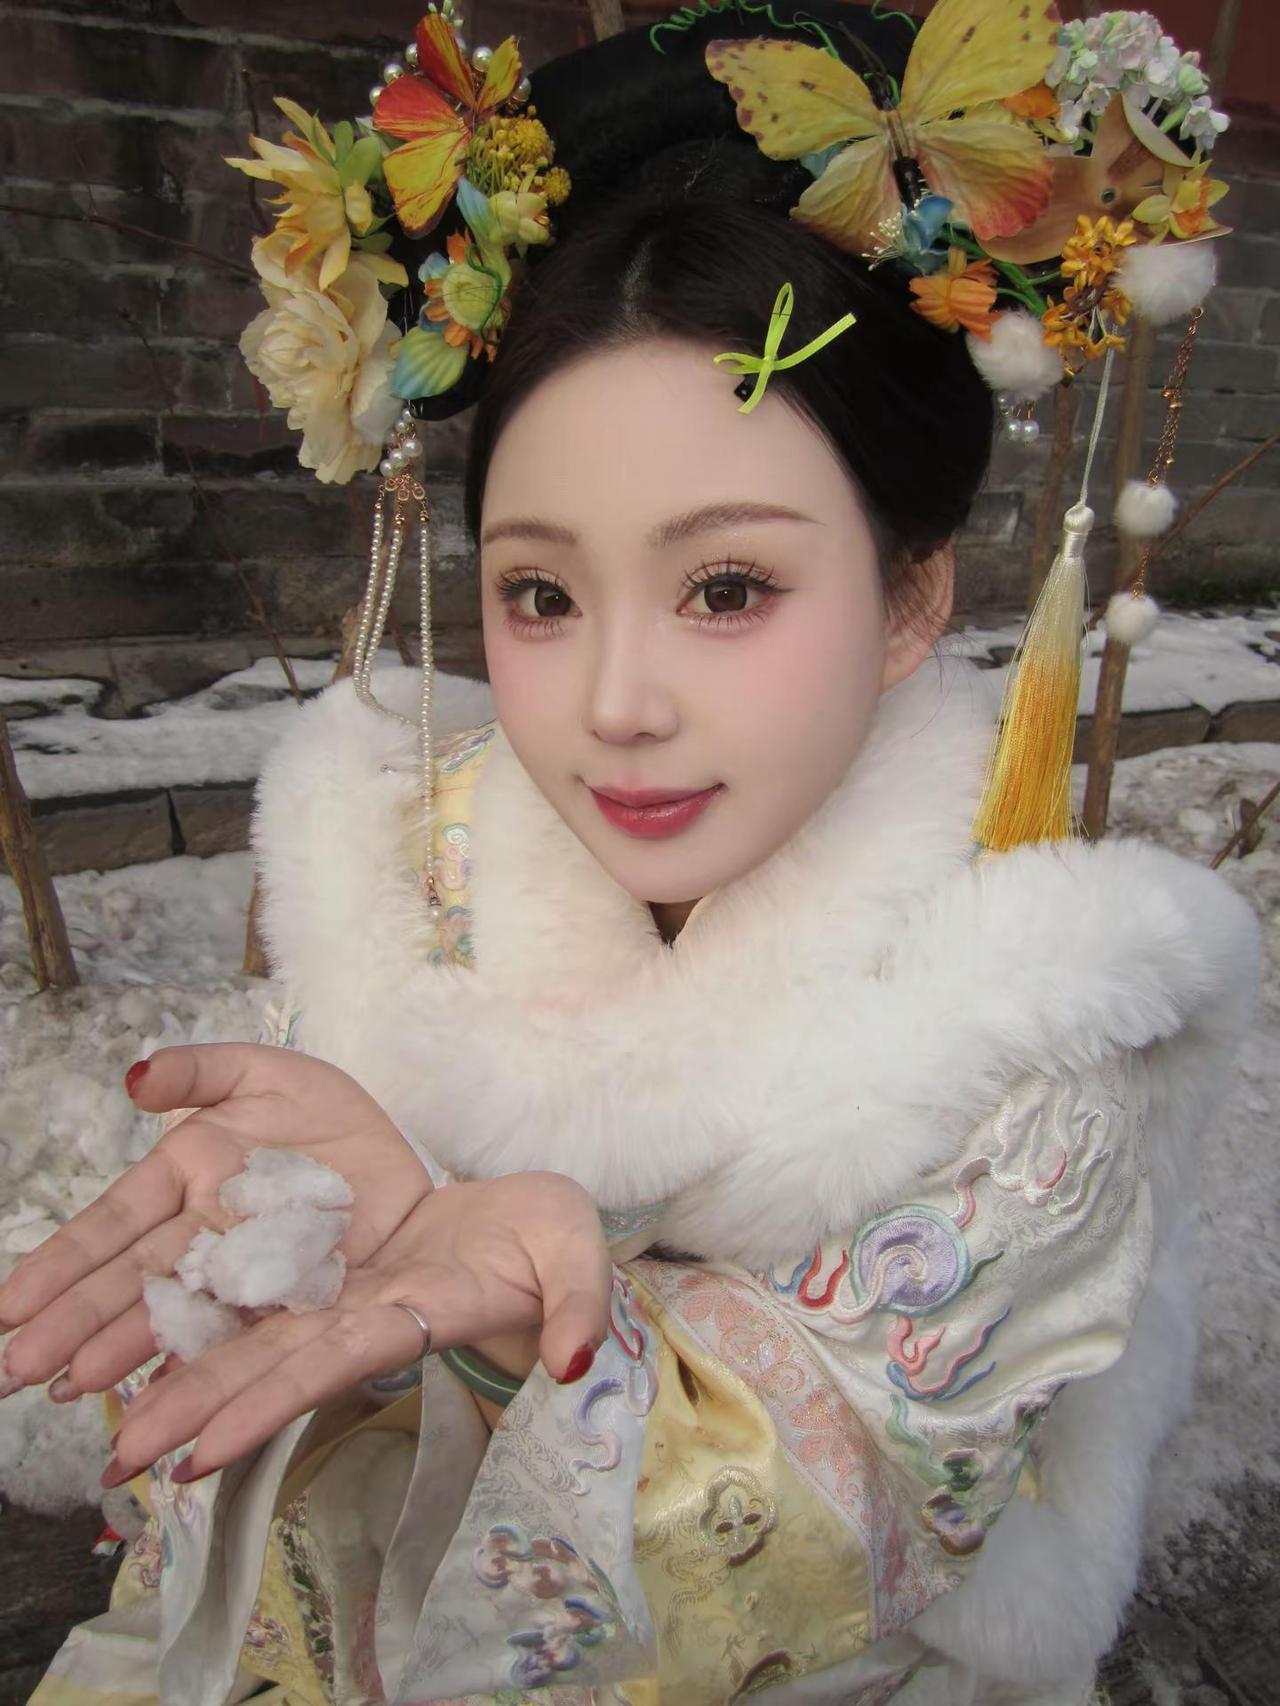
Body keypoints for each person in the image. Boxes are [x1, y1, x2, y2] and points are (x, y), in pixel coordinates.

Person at [0, 3, 1258, 1703]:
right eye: (540, 592)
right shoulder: (414, 872)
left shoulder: (1035, 1008)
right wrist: (293, 1254)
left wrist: (527, 1334)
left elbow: (851, 1509)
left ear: (911, 595)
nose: (613, 704)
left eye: (726, 587)